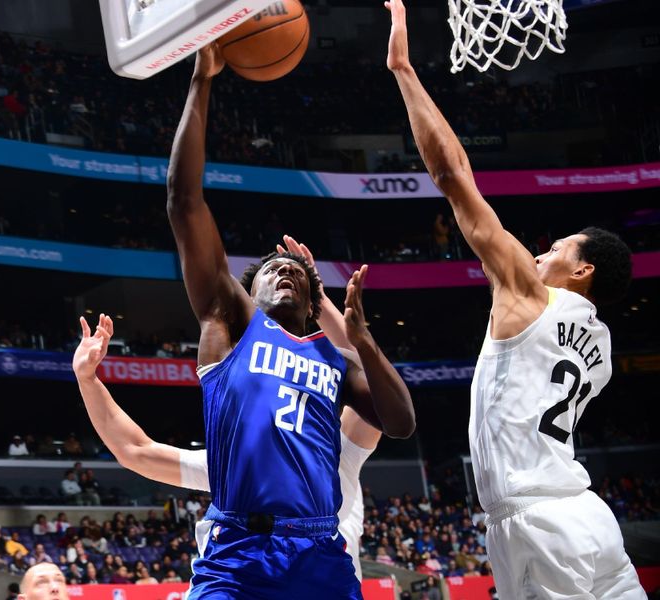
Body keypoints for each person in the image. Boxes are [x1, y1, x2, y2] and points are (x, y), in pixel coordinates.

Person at [384, 1, 643, 598]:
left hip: (536, 522)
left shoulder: (528, 289)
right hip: (587, 516)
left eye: (556, 247)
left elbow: (454, 179)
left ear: (581, 271)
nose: (541, 252)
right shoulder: (599, 347)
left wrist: (403, 69)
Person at [73, 236, 382, 581]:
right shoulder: (234, 460)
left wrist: (317, 298)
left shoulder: (339, 452)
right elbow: (135, 450)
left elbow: (375, 384)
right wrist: (88, 380)